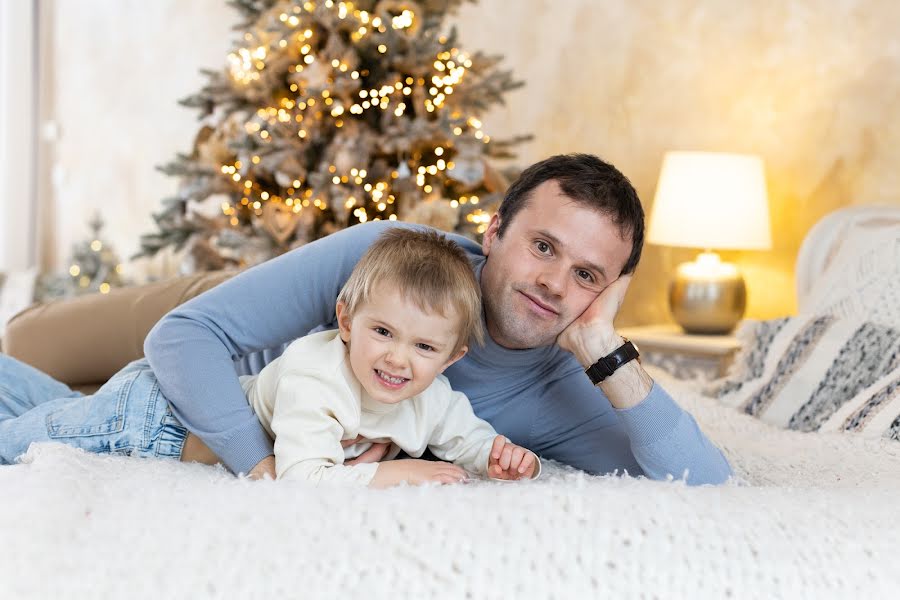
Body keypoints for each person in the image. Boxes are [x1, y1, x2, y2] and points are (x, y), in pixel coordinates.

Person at [144, 153, 733, 485]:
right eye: (544, 247)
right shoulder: (388, 256)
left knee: (53, 393)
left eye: (587, 276)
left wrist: (608, 350)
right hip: (198, 350)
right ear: (495, 229)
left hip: (195, 376)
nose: (554, 284)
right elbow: (183, 335)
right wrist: (265, 465)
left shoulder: (559, 386)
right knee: (51, 344)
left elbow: (705, 484)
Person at [0, 229, 540, 487]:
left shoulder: (435, 397)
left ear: (451, 358)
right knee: (16, 441)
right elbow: (301, 480)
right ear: (347, 322)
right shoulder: (315, 372)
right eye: (383, 332)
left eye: (424, 347)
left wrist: (503, 457)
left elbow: (468, 438)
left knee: (42, 405)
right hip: (150, 421)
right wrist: (401, 477)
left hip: (157, 412)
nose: (398, 360)